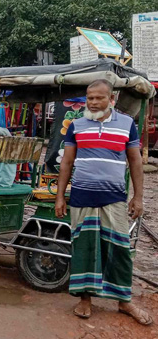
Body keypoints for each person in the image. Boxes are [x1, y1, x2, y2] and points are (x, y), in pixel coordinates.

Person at [56, 79, 152, 326]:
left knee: (119, 249)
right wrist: (60, 196)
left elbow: (135, 162)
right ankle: (85, 298)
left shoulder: (127, 124)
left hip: (114, 197)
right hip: (82, 196)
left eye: (99, 98)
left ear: (112, 99)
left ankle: (124, 300)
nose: (93, 102)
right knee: (85, 246)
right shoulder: (76, 126)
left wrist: (138, 197)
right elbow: (66, 163)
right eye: (90, 98)